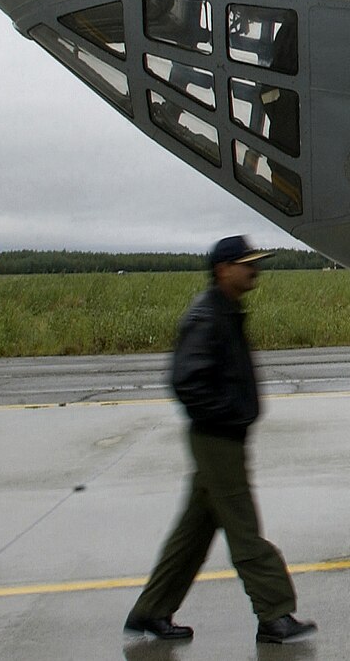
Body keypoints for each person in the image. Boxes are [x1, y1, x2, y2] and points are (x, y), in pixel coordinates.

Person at [125, 236, 318, 645]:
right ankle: (274, 615)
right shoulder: (207, 316)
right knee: (245, 531)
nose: (254, 270)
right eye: (246, 264)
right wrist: (227, 414)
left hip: (222, 436)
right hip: (218, 439)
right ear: (223, 270)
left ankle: (151, 611)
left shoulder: (225, 310)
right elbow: (185, 380)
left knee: (192, 534)